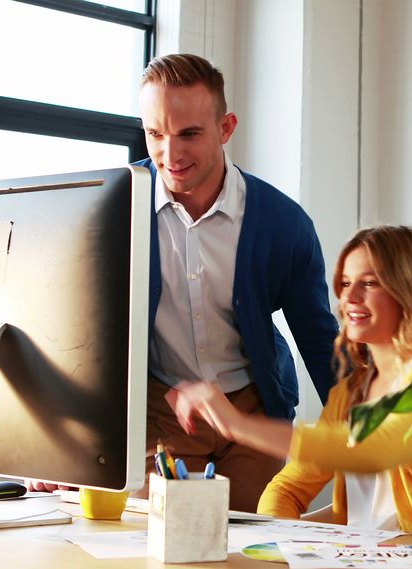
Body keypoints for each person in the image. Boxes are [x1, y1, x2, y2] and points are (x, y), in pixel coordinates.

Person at [170, 225, 412, 539]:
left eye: (370, 283)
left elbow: (376, 450)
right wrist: (279, 546)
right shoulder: (352, 392)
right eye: (344, 282)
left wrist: (238, 425)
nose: (350, 297)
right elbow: (287, 489)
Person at [129, 53, 338, 511]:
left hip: (252, 410)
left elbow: (320, 342)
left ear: (226, 129)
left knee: (246, 548)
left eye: (189, 134)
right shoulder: (118, 208)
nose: (170, 154)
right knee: (166, 544)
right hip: (161, 409)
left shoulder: (284, 224)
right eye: (155, 134)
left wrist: (367, 434)